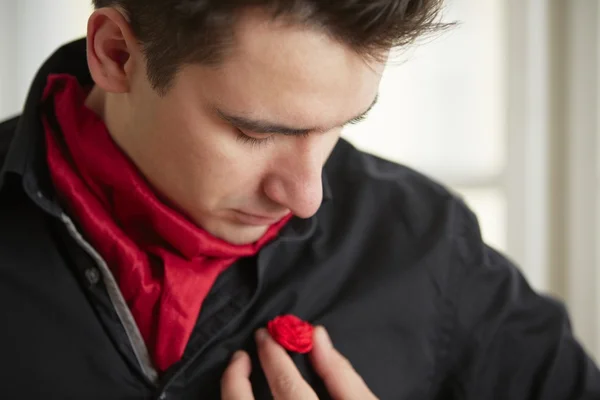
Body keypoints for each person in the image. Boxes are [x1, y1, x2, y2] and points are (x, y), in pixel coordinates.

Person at [0, 0, 598, 399]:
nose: (307, 198)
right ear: (116, 54)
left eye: (341, 125)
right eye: (257, 133)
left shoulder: (427, 241)